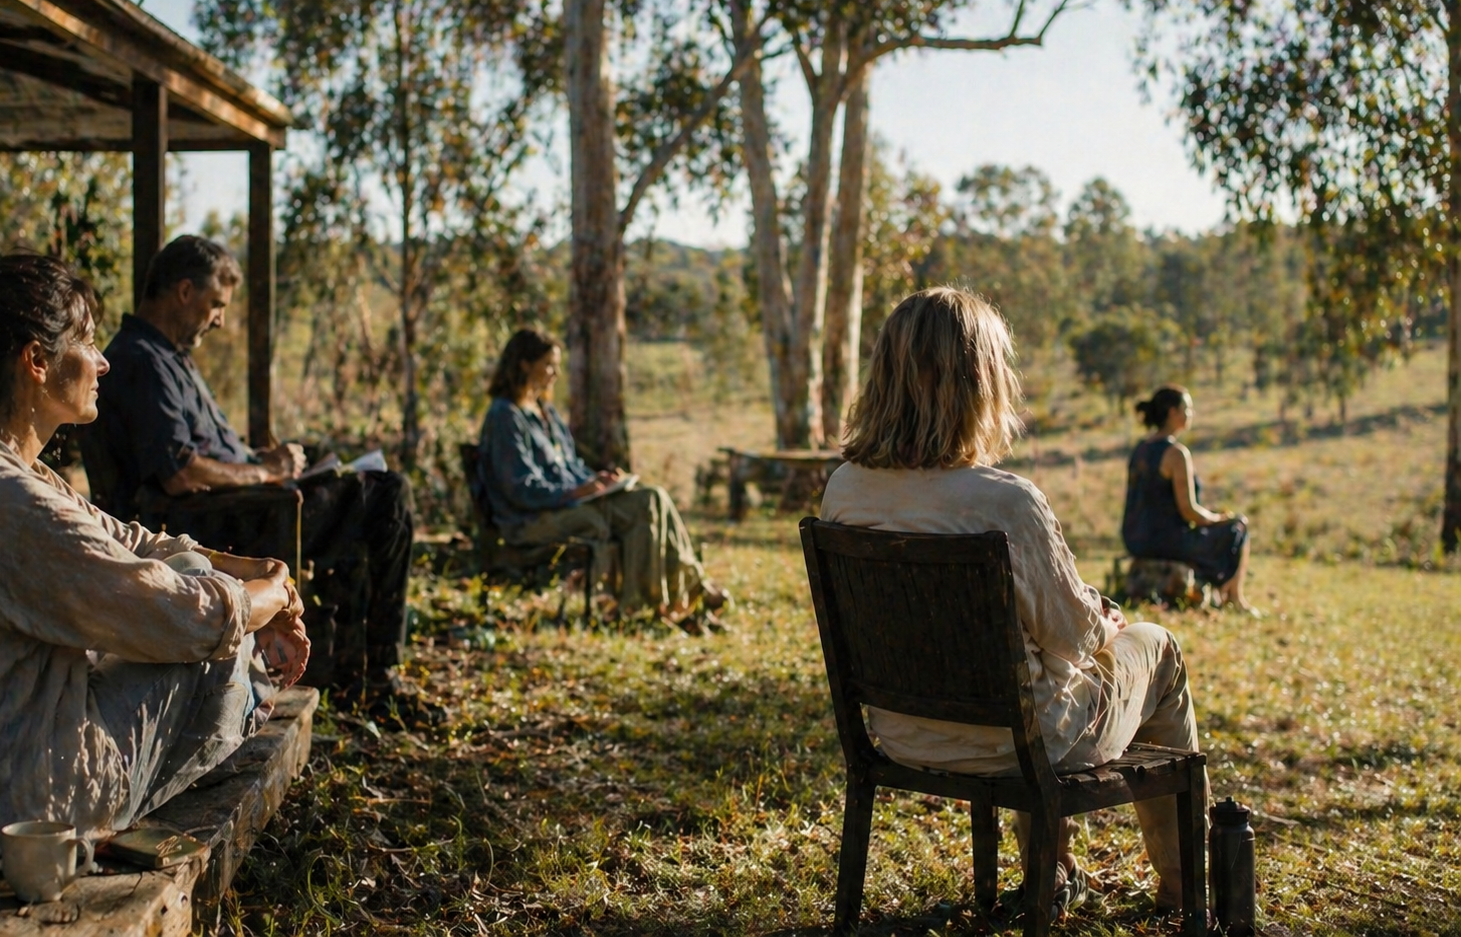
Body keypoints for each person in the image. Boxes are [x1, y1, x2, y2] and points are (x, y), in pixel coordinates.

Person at [0, 249, 310, 859]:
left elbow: (124, 539)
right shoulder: (7, 498)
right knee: (212, 640)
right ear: (37, 361)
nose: (102, 360)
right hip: (3, 809)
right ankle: (251, 695)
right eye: (87, 341)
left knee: (197, 576)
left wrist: (252, 570)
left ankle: (250, 687)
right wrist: (271, 596)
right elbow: (191, 616)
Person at [820, 287, 1203, 918]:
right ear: (981, 383)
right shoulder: (1007, 502)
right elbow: (1074, 639)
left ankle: (1051, 872)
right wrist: (1104, 619)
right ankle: (1186, 891)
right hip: (1017, 745)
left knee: (1040, 672)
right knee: (1155, 647)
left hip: (902, 734)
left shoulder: (845, 487)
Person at [92, 235, 438, 725]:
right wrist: (268, 472)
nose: (220, 320)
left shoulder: (170, 357)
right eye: (215, 305)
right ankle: (376, 675)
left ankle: (351, 665)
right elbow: (180, 473)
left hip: (251, 503)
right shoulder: (142, 361)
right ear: (184, 292)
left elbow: (209, 449)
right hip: (227, 522)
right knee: (388, 497)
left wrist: (264, 459)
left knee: (360, 482)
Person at [476, 329, 727, 627]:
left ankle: (667, 599)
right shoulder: (506, 416)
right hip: (533, 518)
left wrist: (598, 481)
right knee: (643, 507)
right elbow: (520, 487)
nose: (555, 374)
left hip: (566, 505)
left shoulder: (546, 412)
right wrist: (574, 493)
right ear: (524, 364)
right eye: (548, 365)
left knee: (654, 497)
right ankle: (655, 601)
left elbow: (570, 465)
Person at [1121, 386, 1254, 612]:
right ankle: (1235, 598)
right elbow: (1189, 511)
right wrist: (1219, 519)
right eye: (1187, 408)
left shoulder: (1140, 449)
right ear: (1173, 413)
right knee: (1238, 527)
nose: (1191, 414)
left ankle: (1229, 596)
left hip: (1134, 537)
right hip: (1166, 540)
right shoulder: (1176, 453)